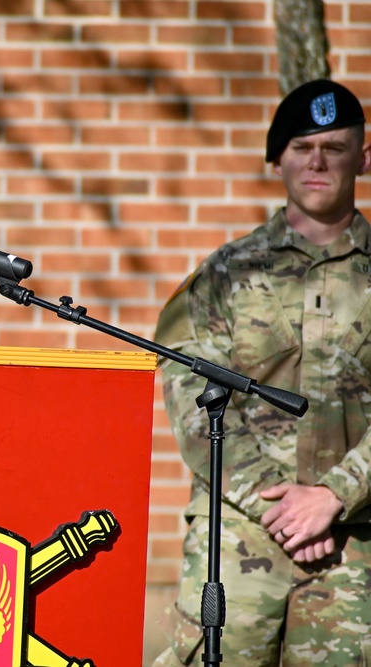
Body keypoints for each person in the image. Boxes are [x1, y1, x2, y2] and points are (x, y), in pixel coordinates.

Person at [152, 78, 371, 667]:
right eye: (301, 147)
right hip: (238, 542)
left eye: (334, 146)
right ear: (278, 159)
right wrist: (283, 508)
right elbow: (189, 396)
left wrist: (334, 495)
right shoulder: (222, 276)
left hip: (355, 546)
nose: (317, 161)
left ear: (364, 157)